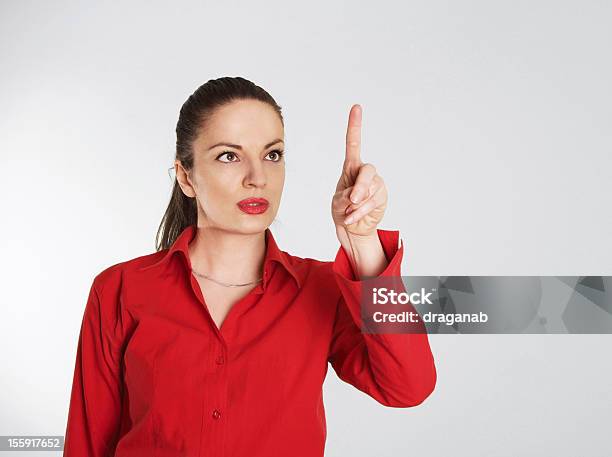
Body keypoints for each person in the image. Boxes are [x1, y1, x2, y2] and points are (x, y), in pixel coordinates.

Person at [63, 76, 437, 456]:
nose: (258, 178)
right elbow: (88, 443)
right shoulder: (120, 290)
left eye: (272, 155)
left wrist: (363, 242)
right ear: (185, 176)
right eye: (229, 155)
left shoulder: (319, 290)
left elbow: (408, 386)